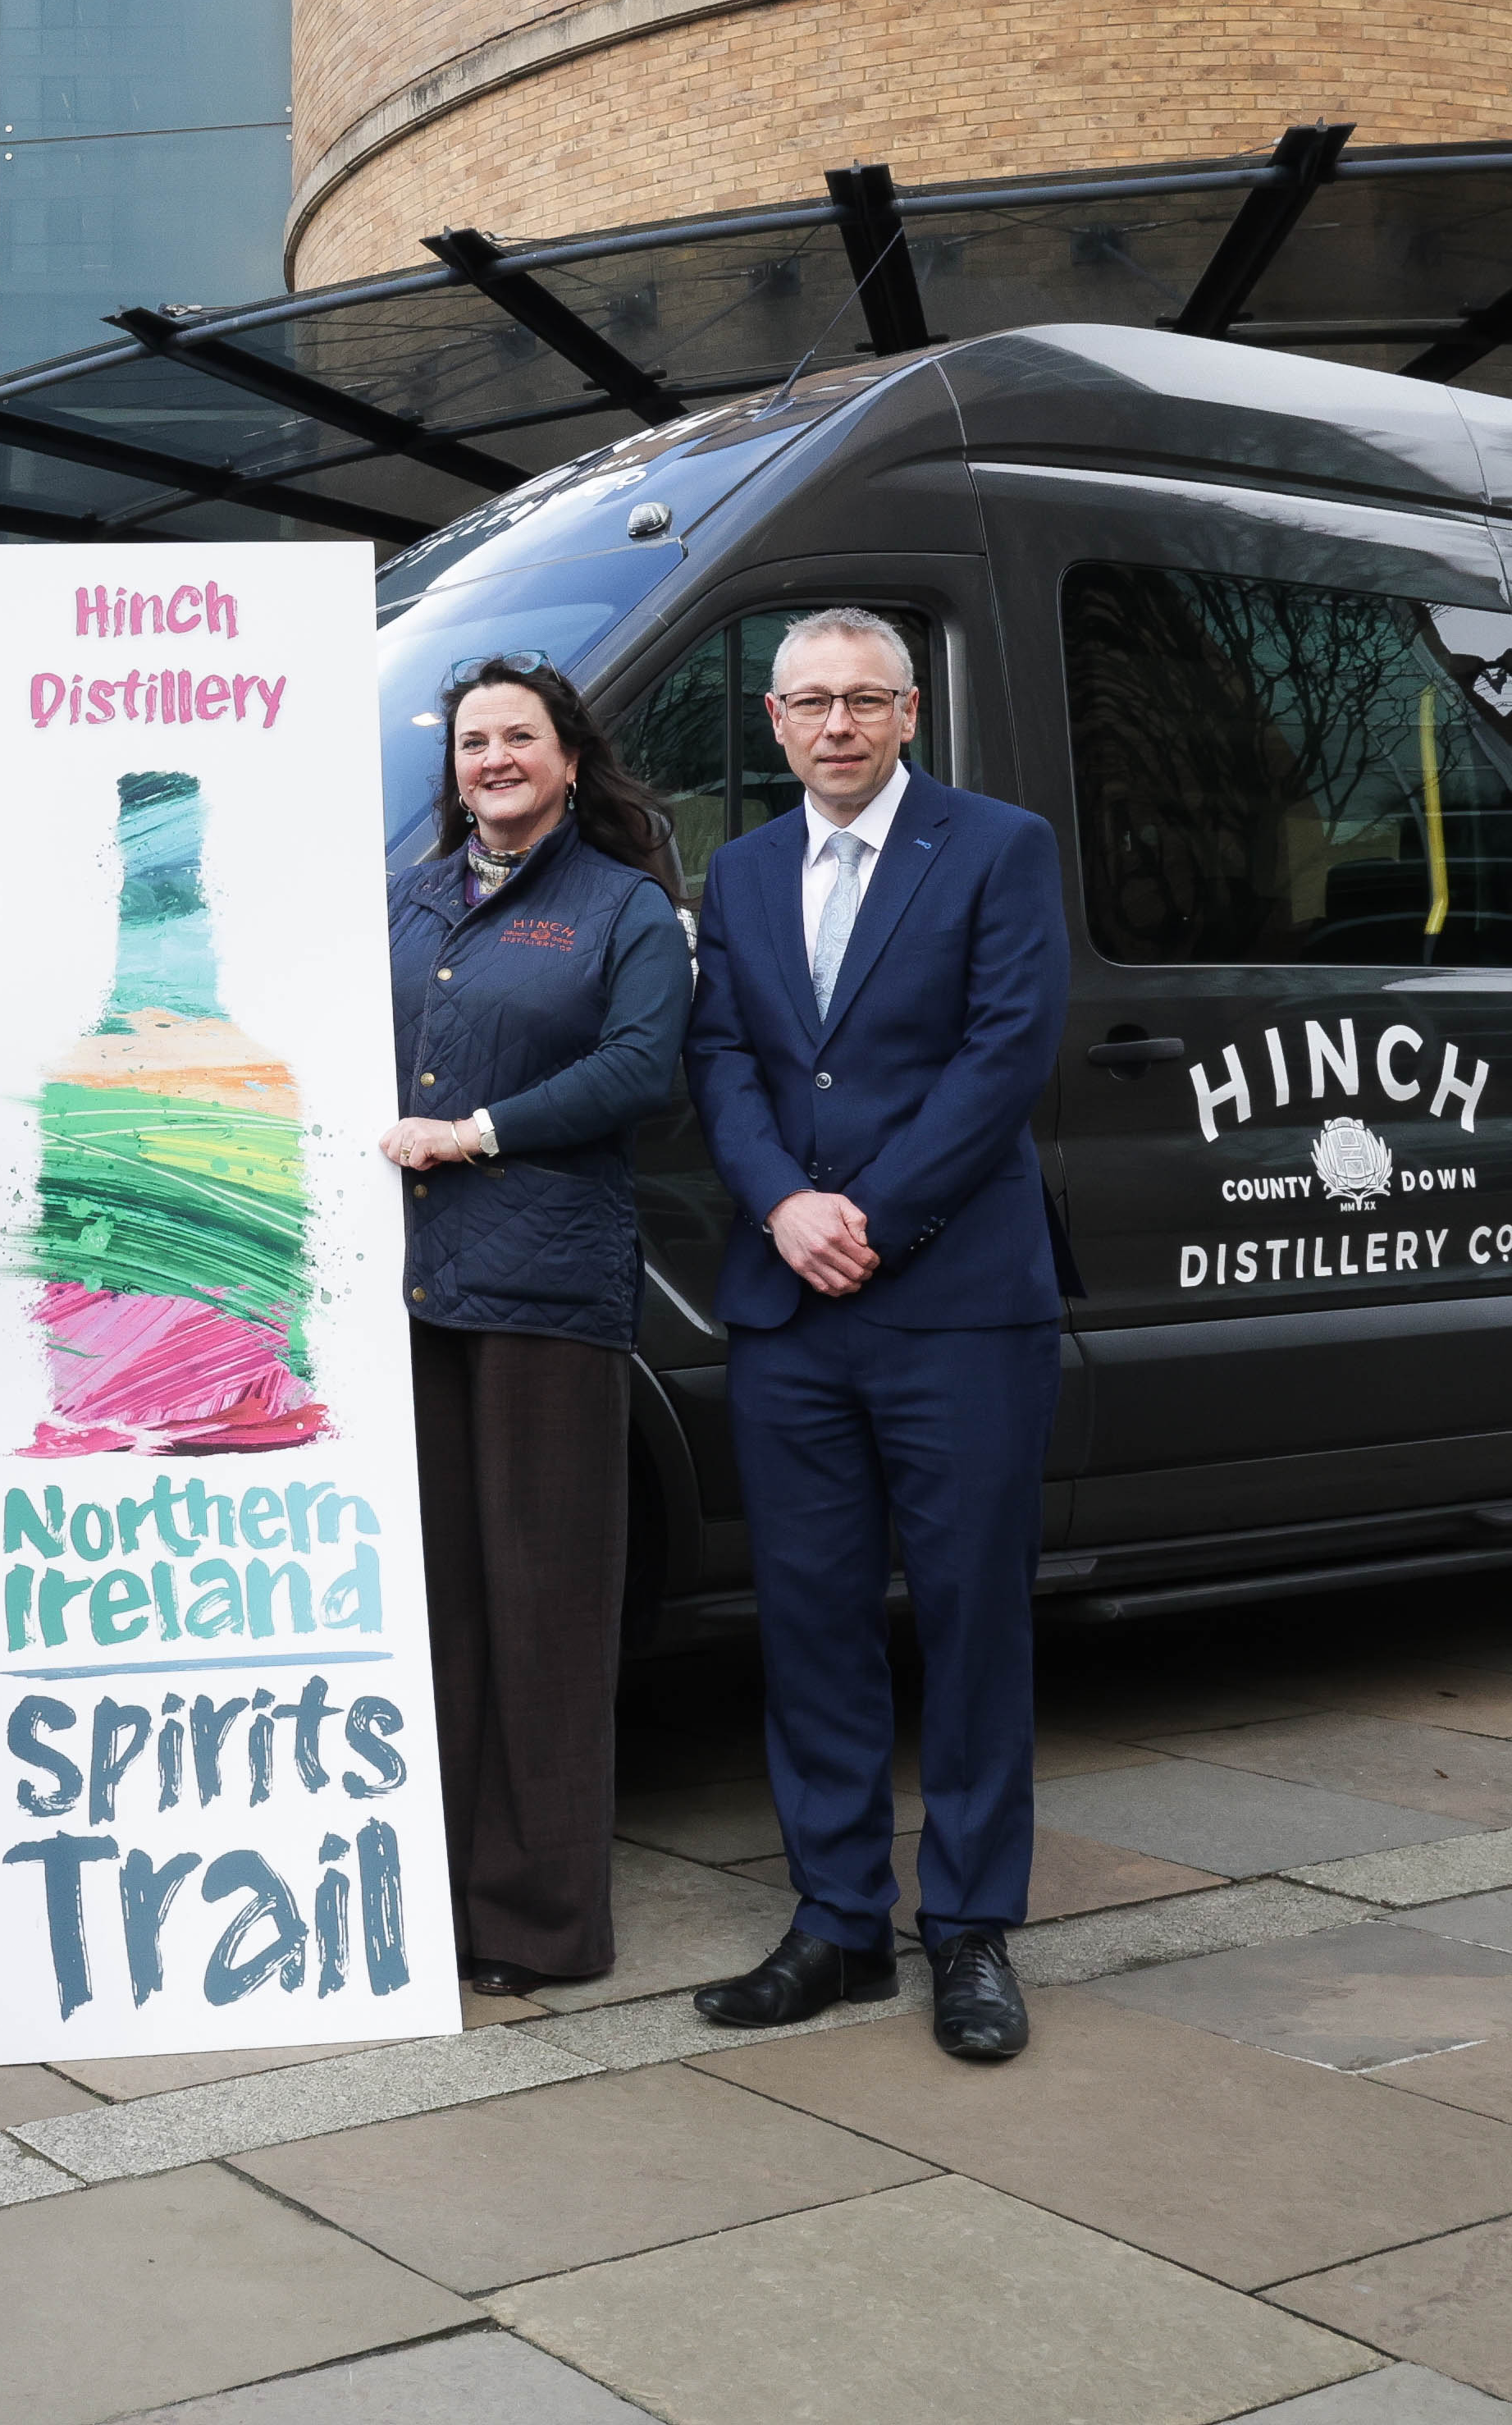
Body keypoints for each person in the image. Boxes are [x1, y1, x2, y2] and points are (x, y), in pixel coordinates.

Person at [678, 606, 1071, 2062]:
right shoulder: (741, 868)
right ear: (774, 723)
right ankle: (838, 1925)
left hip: (957, 1304)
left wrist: (869, 1217)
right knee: (815, 1624)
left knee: (973, 1623)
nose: (836, 725)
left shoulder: (996, 845)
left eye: (864, 700)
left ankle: (968, 1930)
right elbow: (720, 1056)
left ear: (911, 714)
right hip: (791, 1310)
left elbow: (1006, 1053)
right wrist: (786, 1205)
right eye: (809, 703)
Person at [380, 656, 691, 1992]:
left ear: (569, 758)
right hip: (413, 1291)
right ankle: (427, 1905)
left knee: (547, 1609)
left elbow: (641, 1067)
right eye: (471, 743)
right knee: (439, 1607)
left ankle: (538, 1922)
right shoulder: (409, 901)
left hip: (550, 1296)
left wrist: (481, 1131)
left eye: (518, 737)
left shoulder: (622, 905)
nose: (493, 759)